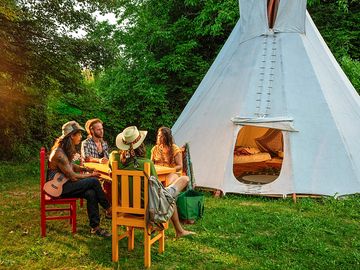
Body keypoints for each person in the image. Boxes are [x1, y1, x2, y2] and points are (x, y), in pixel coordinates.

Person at [109, 126, 195, 238]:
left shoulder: (114, 158)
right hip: (149, 208)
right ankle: (178, 230)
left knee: (172, 190)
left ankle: (177, 229)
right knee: (181, 184)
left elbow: (115, 156)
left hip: (125, 206)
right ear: (140, 144)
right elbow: (157, 189)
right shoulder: (146, 164)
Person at [48, 120, 111, 237]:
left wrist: (88, 169)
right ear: (72, 136)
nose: (81, 137)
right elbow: (72, 176)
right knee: (93, 181)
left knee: (91, 193)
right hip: (58, 188)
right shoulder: (59, 153)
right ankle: (108, 208)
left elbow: (71, 166)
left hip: (64, 184)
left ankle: (95, 227)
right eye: (79, 134)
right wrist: (91, 175)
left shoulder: (63, 150)